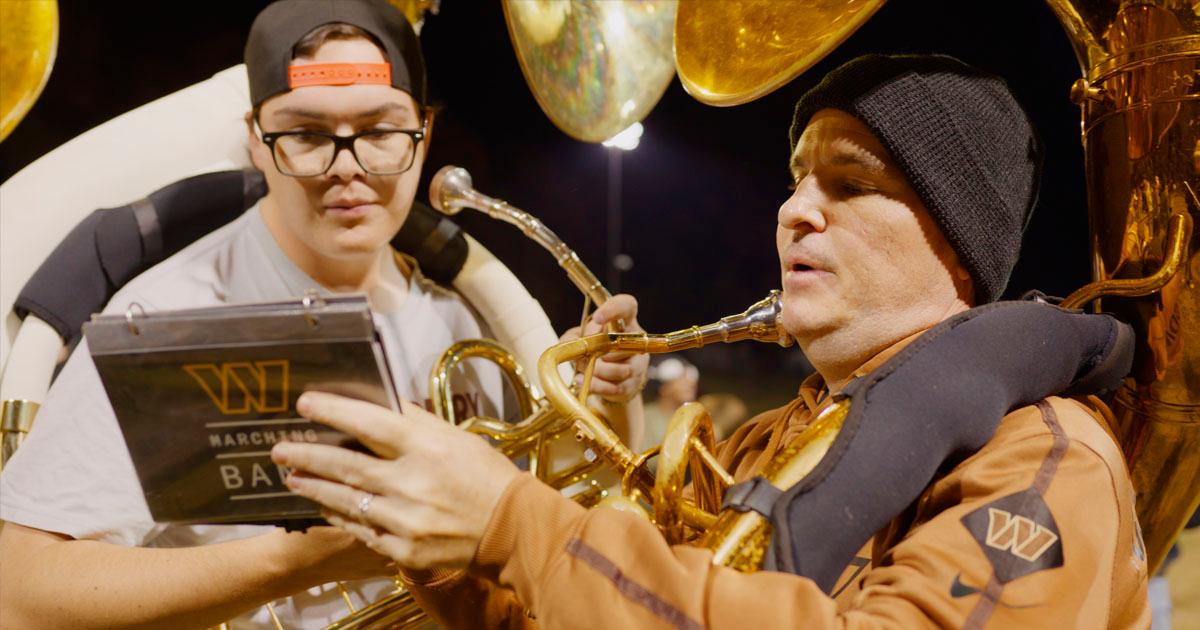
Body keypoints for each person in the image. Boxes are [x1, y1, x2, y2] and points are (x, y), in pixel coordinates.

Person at [270, 54, 1150, 627]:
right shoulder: (769, 440)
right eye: (798, 178)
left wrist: (514, 524)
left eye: (850, 183)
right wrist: (439, 534)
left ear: (958, 248)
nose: (795, 209)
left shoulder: (1045, 455)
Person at [0, 1, 645, 627]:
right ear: (257, 139)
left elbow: (558, 527)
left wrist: (605, 402)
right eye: (308, 134)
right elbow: (21, 595)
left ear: (423, 136)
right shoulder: (164, 318)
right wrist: (306, 558)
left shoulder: (461, 319)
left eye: (381, 132)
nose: (349, 170)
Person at [641, 356, 700, 448]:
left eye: (690, 379)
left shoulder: (696, 418)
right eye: (682, 380)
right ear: (664, 388)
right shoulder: (644, 418)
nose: (691, 384)